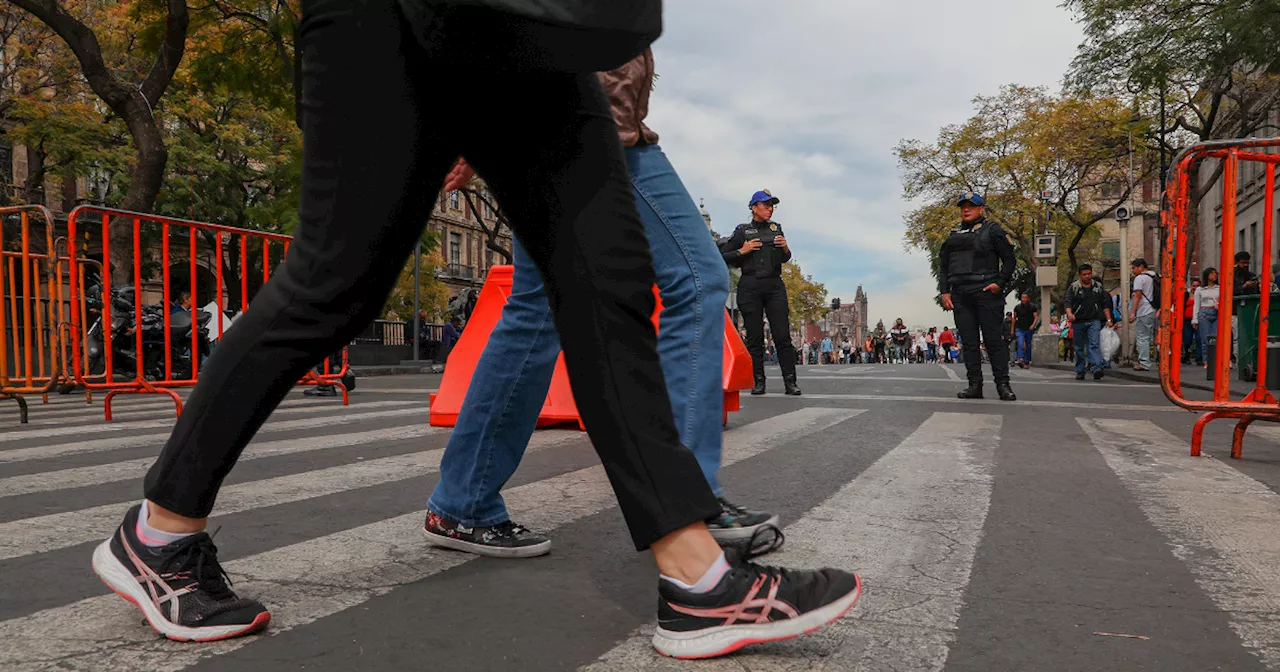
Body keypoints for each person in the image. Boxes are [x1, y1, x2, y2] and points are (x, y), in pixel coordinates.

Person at [90, 3, 858, 658]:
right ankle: (159, 534)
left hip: (531, 33)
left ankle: (698, 581)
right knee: (334, 288)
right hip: (388, 23)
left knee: (608, 283)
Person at [424, 49, 776, 557]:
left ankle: (462, 501)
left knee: (535, 310)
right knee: (696, 277)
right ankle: (688, 497)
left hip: (587, 124)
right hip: (581, 121)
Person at [937, 191, 1017, 401]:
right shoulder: (954, 235)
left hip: (986, 292)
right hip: (961, 295)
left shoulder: (993, 231)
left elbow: (1009, 260)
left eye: (971, 206)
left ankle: (1003, 386)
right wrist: (944, 292)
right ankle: (975, 385)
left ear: (981, 209)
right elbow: (943, 267)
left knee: (993, 342)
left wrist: (999, 283)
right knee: (969, 343)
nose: (966, 209)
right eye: (963, 206)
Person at [720, 190, 800, 396]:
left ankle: (790, 382)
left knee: (782, 336)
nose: (770, 208)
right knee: (754, 337)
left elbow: (785, 258)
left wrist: (785, 248)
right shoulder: (743, 231)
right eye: (766, 205)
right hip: (750, 284)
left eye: (772, 205)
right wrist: (742, 251)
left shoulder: (776, 228)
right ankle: (758, 381)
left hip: (774, 285)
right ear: (754, 207)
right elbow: (722, 255)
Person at [1065, 264, 1114, 380]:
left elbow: (1105, 304)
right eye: (1084, 274)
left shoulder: (1098, 287)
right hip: (1078, 321)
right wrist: (1070, 314)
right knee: (1079, 347)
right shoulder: (1074, 287)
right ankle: (1080, 369)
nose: (1087, 276)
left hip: (1094, 320)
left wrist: (1108, 319)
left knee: (1094, 345)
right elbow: (1068, 302)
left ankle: (1097, 368)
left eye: (1089, 274)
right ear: (1080, 275)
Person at [1129, 258, 1157, 371]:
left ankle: (1144, 363)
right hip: (1155, 309)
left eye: (1134, 268)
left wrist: (1132, 312)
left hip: (1144, 310)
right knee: (1156, 336)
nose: (1133, 271)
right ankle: (1165, 359)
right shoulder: (1154, 276)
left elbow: (1138, 295)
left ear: (1141, 267)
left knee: (1142, 337)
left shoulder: (1140, 278)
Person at [1193, 268, 1220, 369]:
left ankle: (1215, 360)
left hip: (1216, 312)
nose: (1214, 275)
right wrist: (1194, 319)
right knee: (1205, 339)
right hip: (1204, 312)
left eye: (1215, 273)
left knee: (1215, 338)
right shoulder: (1200, 289)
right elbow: (1196, 304)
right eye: (1212, 273)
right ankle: (1207, 361)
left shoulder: (1219, 288)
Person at [1013, 293, 1038, 368]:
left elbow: (1036, 317)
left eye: (1025, 298)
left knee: (1028, 345)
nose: (1024, 299)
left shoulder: (1033, 307)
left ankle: (1026, 360)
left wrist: (1033, 325)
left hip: (1029, 328)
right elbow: (1014, 318)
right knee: (1020, 343)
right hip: (1020, 328)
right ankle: (1020, 359)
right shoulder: (1017, 307)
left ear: (1028, 298)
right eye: (1022, 297)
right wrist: (1012, 329)